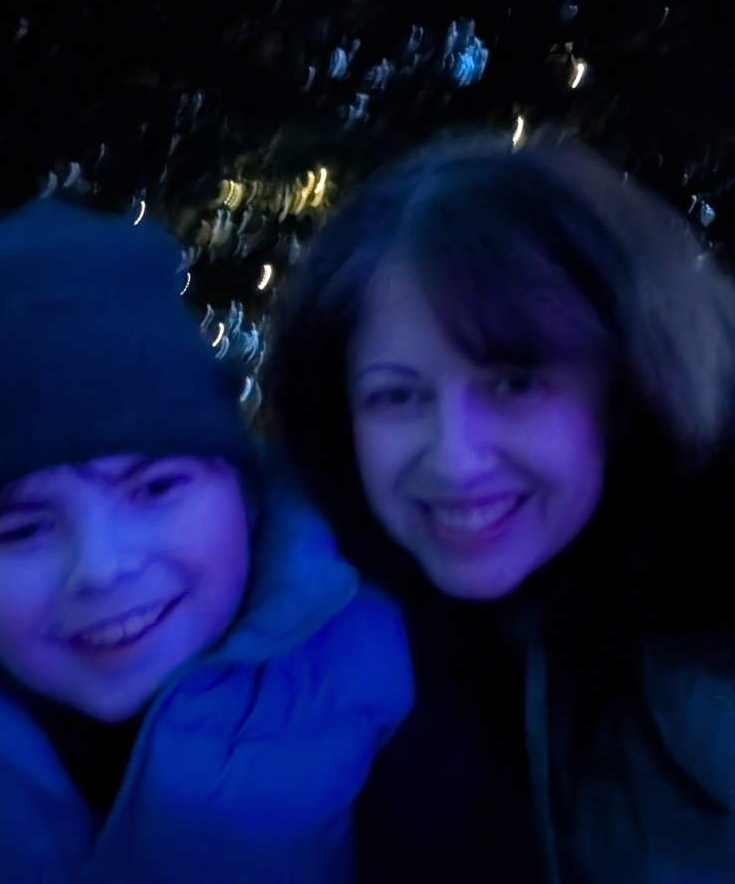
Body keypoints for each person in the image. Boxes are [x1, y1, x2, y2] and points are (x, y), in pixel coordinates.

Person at [266, 129, 735, 883]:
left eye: (514, 384)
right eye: (397, 396)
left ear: (629, 388)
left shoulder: (704, 662)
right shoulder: (337, 638)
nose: (454, 458)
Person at [0, 198, 412, 884]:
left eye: (154, 489)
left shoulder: (385, 673)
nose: (102, 568)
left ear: (245, 493)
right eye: (23, 528)